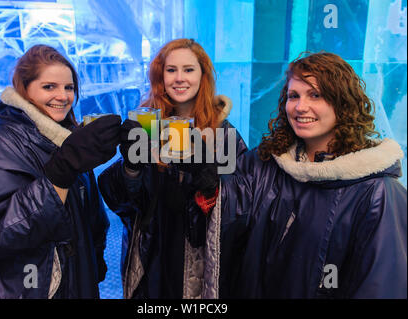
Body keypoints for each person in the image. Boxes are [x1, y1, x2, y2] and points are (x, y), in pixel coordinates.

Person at [202, 52, 406, 298]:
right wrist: (203, 170)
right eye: (293, 96)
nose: (300, 107)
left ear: (343, 103)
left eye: (315, 95)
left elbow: (381, 286)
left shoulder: (378, 192)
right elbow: (220, 217)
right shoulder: (265, 163)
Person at [0, 44, 121, 298]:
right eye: (49, 87)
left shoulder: (69, 141)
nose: (63, 96)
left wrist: (94, 262)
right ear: (24, 90)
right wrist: (58, 174)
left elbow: (94, 219)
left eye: (69, 87)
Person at [97, 38, 248, 299]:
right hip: (150, 256)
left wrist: (209, 182)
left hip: (198, 263)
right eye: (171, 70)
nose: (179, 78)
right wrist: (131, 167)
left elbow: (242, 211)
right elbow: (124, 203)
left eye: (188, 70)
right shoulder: (146, 125)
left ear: (203, 75)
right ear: (160, 75)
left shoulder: (223, 134)